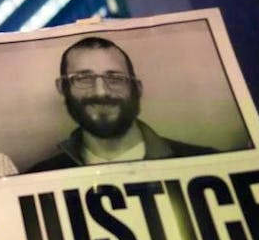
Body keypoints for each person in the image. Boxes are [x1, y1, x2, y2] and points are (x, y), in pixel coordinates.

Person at [28, 36, 213, 172]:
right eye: (84, 78)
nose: (101, 92)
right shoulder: (39, 177)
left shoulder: (206, 162)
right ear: (62, 87)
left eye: (115, 78)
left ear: (137, 88)